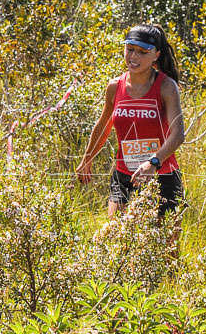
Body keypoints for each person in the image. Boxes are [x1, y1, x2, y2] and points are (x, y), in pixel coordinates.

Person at [77, 23, 186, 250]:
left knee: (166, 249)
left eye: (142, 52)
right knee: (118, 242)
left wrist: (153, 162)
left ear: (156, 54)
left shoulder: (166, 86)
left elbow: (177, 135)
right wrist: (87, 157)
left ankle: (170, 286)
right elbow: (104, 125)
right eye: (130, 49)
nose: (133, 56)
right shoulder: (115, 86)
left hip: (163, 176)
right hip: (124, 176)